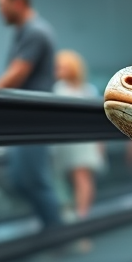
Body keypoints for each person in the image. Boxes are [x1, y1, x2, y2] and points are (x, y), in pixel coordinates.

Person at [0, 0, 62, 228]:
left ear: (18, 2)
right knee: (21, 179)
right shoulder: (23, 33)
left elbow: (17, 73)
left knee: (33, 179)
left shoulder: (36, 31)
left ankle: (58, 237)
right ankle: (51, 232)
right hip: (24, 119)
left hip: (36, 118)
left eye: (2, 5)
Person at [53, 50, 106, 219]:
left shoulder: (87, 90)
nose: (58, 70)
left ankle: (82, 218)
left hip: (84, 143)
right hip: (69, 143)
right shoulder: (58, 88)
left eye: (63, 66)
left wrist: (100, 145)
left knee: (82, 179)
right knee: (74, 180)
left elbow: (97, 122)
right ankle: (77, 218)